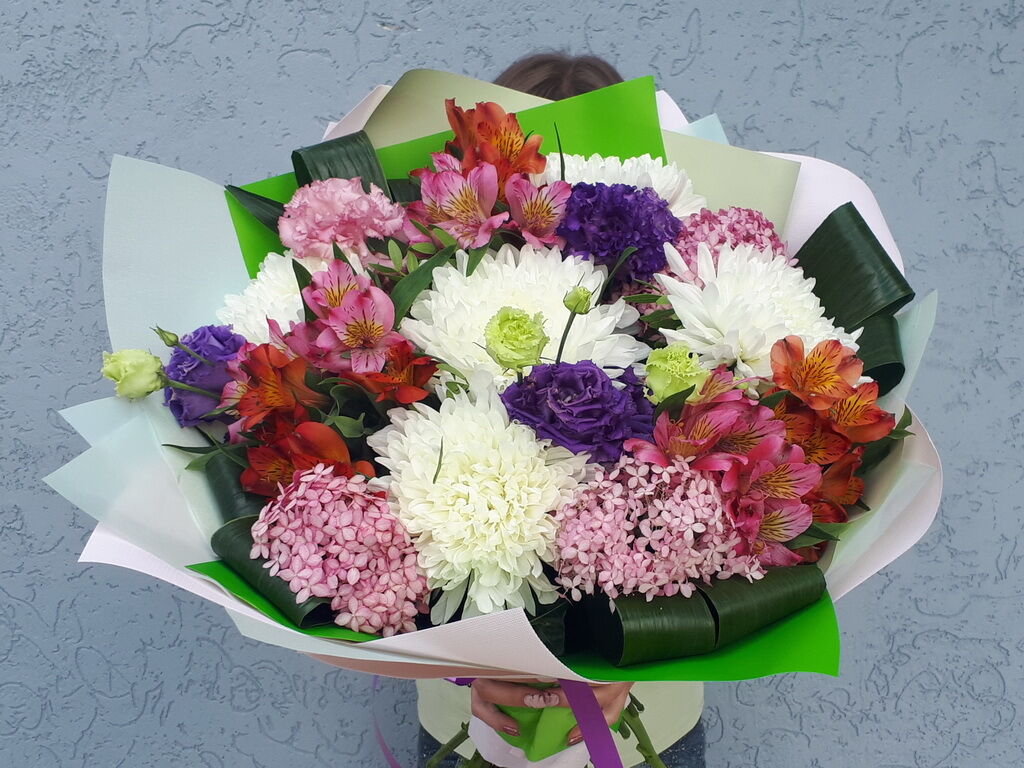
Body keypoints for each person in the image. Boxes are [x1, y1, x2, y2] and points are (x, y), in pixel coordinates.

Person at [415, 54, 707, 768]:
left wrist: (636, 655)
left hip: (656, 728)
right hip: (468, 729)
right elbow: (396, 555)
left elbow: (716, 544)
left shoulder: (665, 325)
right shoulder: (432, 311)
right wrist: (469, 668)